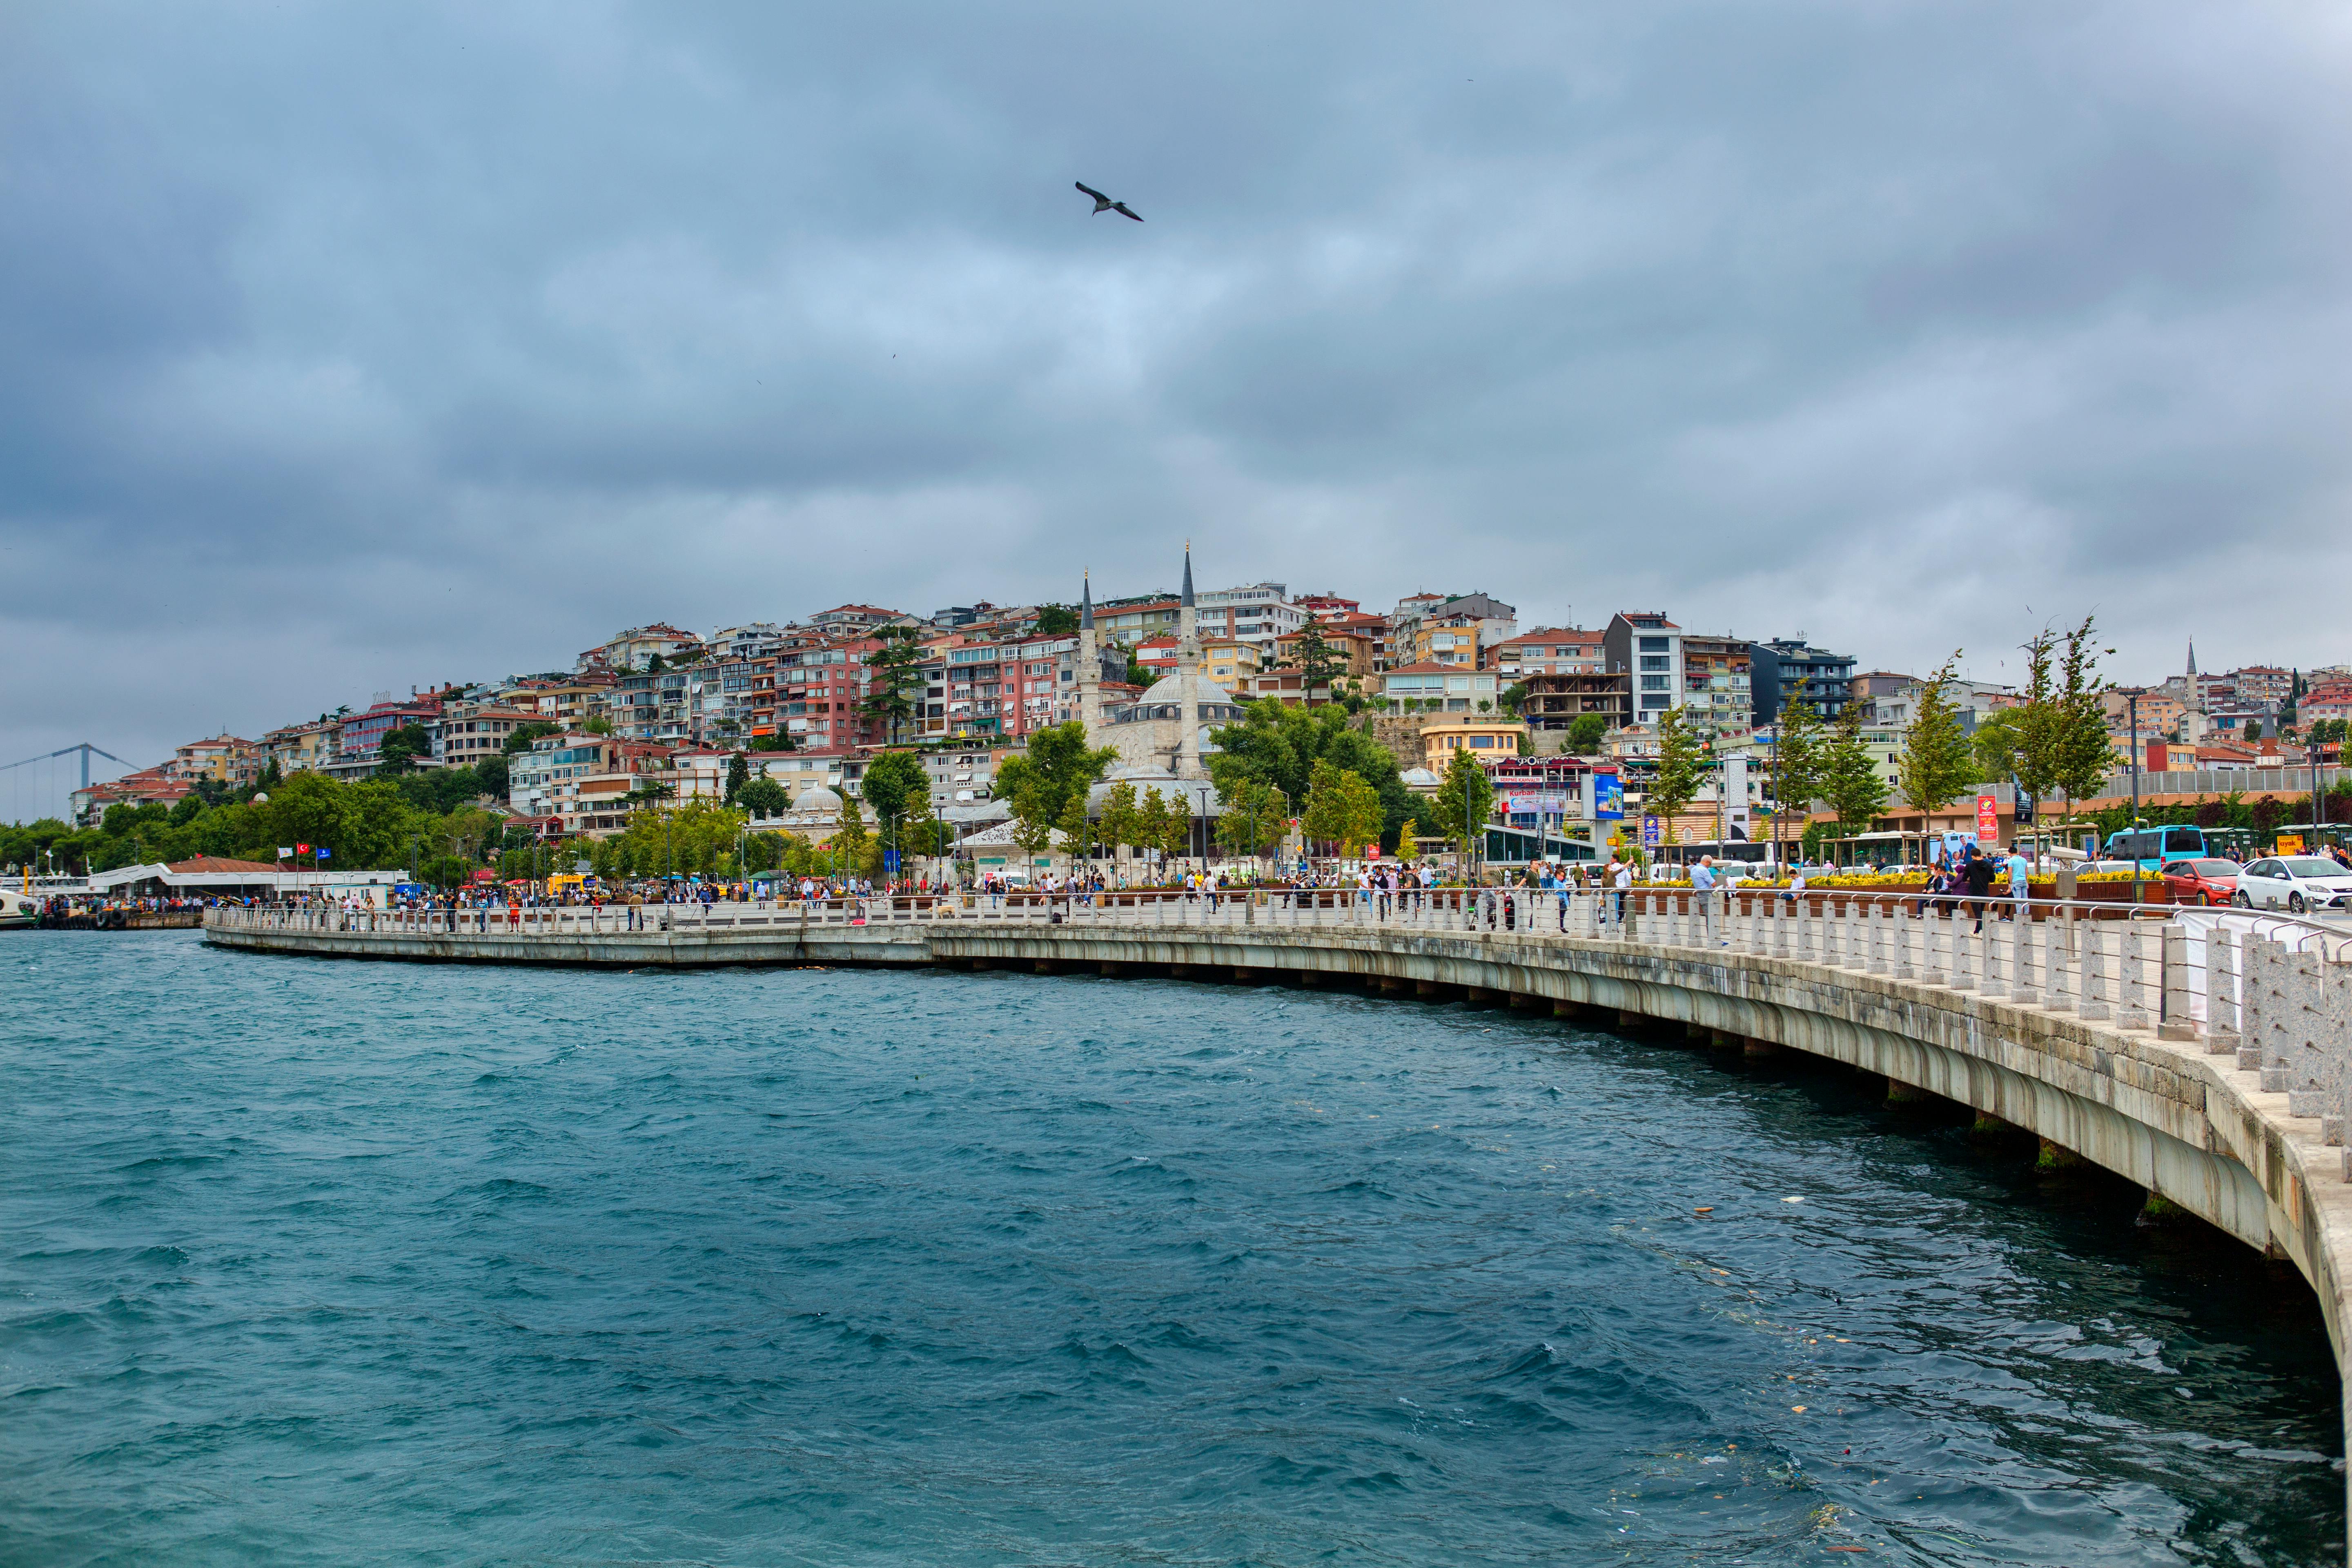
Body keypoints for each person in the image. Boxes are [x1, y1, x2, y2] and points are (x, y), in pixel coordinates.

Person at [1690, 853, 1721, 946]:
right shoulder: (1704, 870)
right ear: (1707, 862)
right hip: (1706, 894)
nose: (1709, 866)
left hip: (1700, 894)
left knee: (1709, 916)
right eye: (1710, 864)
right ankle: (1713, 939)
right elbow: (1713, 884)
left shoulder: (1694, 869)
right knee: (1711, 917)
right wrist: (1721, 880)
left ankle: (1713, 938)